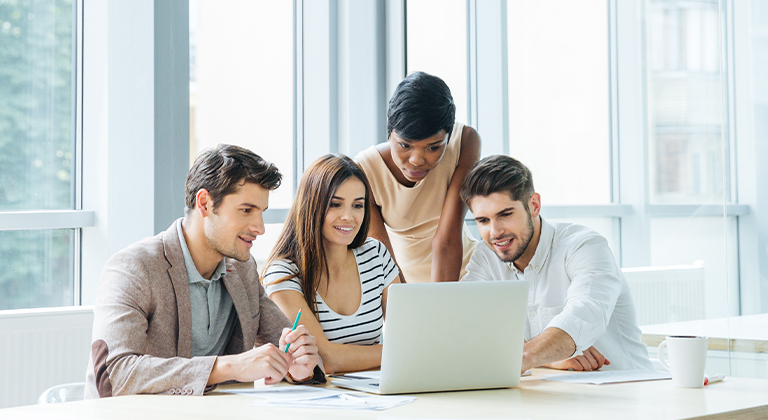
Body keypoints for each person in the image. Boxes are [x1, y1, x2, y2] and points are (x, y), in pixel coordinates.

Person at [84, 144, 323, 398]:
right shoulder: (134, 268)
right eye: (246, 210)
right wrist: (226, 367)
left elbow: (287, 344)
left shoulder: (243, 269)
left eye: (261, 212)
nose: (260, 227)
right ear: (205, 203)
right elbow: (112, 373)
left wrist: (300, 367)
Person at [459, 155, 652, 372]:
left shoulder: (584, 246)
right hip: (554, 394)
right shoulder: (485, 257)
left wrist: (525, 355)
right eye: (483, 221)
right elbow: (469, 330)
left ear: (534, 205)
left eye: (505, 214)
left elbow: (584, 314)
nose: (494, 232)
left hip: (629, 390)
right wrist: (546, 357)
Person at [262, 154, 400, 374]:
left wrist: (406, 350)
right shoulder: (282, 274)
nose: (348, 216)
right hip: (321, 396)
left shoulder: (376, 254)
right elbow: (325, 358)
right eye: (335, 204)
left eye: (358, 205)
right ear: (311, 206)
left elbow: (408, 337)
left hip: (380, 391)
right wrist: (398, 353)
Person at [355, 71, 480, 283]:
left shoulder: (465, 141)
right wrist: (408, 305)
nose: (417, 160)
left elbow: (447, 238)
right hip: (408, 285)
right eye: (405, 145)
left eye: (433, 147)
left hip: (472, 274)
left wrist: (440, 303)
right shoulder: (364, 170)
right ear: (390, 133)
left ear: (447, 139)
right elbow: (383, 258)